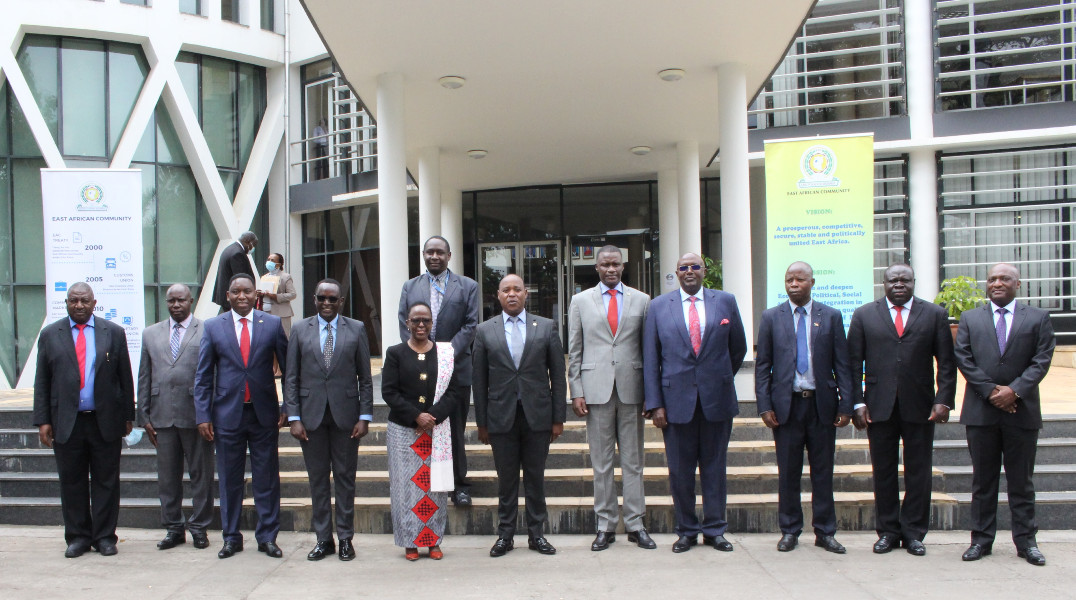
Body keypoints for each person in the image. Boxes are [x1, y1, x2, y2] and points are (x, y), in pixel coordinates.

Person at [847, 263, 956, 556]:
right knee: (883, 471)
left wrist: (943, 399)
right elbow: (853, 363)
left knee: (918, 471)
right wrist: (856, 402)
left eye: (904, 280)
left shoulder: (934, 314)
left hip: (921, 406)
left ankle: (914, 533)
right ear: (882, 283)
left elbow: (946, 362)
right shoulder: (864, 315)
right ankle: (887, 531)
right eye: (892, 280)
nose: (898, 284)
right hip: (877, 406)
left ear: (914, 282)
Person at [643, 253, 746, 553]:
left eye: (695, 267)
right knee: (680, 471)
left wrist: (718, 377)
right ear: (676, 273)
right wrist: (655, 404)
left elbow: (737, 348)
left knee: (715, 468)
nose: (690, 271)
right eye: (684, 268)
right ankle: (686, 530)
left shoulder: (725, 301)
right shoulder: (660, 306)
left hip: (717, 401)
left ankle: (715, 530)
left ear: (704, 271)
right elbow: (651, 358)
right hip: (675, 404)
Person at [955, 263, 1055, 566]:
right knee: (982, 482)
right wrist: (992, 393)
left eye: (1004, 279)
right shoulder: (970, 318)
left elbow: (1042, 359)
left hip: (1021, 412)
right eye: (992, 279)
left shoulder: (1037, 318)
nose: (997, 283)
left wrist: (1014, 391)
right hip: (981, 413)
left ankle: (1026, 542)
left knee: (1021, 482)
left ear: (1018, 284)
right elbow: (964, 357)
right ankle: (981, 541)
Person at [755, 262, 854, 554]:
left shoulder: (831, 316)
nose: (793, 284)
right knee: (788, 473)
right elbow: (763, 367)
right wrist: (764, 406)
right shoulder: (772, 317)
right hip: (786, 408)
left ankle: (825, 531)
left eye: (799, 279)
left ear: (812, 282)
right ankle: (789, 530)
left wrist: (846, 404)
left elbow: (843, 365)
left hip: (822, 406)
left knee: (823, 472)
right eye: (789, 279)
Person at [33, 282, 135, 558]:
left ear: (94, 302)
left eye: (84, 301)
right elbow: (42, 381)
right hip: (67, 422)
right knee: (71, 481)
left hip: (105, 420)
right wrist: (43, 420)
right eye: (74, 301)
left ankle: (104, 537)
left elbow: (125, 378)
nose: (79, 305)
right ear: (66, 303)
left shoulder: (113, 333)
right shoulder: (50, 334)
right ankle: (77, 537)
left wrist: (128, 416)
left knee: (106, 481)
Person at [194, 273, 289, 559]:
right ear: (228, 295)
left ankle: (267, 537)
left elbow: (288, 370)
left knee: (266, 478)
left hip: (264, 415)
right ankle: (231, 537)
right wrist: (203, 415)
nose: (242, 296)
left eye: (247, 291)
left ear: (255, 294)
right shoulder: (213, 327)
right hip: (226, 415)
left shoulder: (271, 324)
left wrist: (288, 407)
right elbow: (203, 376)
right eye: (236, 292)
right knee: (229, 479)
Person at [567, 245, 655, 551]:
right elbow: (575, 349)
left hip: (632, 390)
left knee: (634, 462)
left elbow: (649, 349)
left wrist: (651, 394)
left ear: (623, 265)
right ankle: (604, 526)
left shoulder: (642, 301)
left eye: (616, 264)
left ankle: (635, 524)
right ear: (597, 267)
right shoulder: (580, 301)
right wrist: (575, 390)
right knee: (601, 463)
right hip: (595, 391)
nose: (611, 269)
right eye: (605, 264)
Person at [473, 274, 566, 557]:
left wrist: (558, 418)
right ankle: (505, 535)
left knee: (535, 478)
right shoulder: (484, 331)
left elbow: (558, 376)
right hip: (501, 418)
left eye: (517, 289)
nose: (512, 294)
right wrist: (482, 423)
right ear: (497, 296)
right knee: (507, 479)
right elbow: (479, 380)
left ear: (526, 293)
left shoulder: (546, 327)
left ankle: (537, 535)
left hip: (538, 416)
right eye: (506, 290)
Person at [284, 278, 373, 562]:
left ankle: (346, 538)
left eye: (332, 299)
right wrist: (294, 417)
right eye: (322, 298)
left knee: (346, 479)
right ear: (314, 299)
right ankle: (324, 539)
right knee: (318, 480)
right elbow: (291, 377)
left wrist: (365, 416)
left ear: (341, 302)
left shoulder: (356, 329)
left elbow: (366, 379)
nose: (326, 303)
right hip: (310, 418)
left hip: (346, 417)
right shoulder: (299, 329)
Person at [399, 236, 479, 506]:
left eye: (440, 252)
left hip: (456, 369)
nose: (435, 256)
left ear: (449, 255)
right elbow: (404, 321)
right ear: (423, 254)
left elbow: (470, 325)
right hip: (419, 369)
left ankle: (459, 485)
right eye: (430, 252)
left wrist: (442, 353)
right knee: (421, 426)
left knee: (454, 428)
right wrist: (421, 353)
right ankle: (424, 482)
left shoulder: (468, 286)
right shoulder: (410, 287)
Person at [381, 302, 463, 560]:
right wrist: (416, 415)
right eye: (415, 320)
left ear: (431, 324)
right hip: (403, 430)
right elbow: (389, 391)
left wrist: (433, 417)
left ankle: (433, 541)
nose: (420, 325)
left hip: (436, 430)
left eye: (425, 320)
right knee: (406, 488)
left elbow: (454, 391)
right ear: (407, 323)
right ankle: (410, 542)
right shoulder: (395, 353)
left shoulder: (445, 354)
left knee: (434, 487)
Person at [137, 284, 213, 551]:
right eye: (171, 300)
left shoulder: (207, 330)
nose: (176, 305)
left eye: (181, 300)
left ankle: (199, 527)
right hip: (161, 415)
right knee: (167, 478)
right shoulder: (150, 333)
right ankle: (173, 528)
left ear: (191, 300)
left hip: (197, 415)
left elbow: (213, 374)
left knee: (200, 475)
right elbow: (144, 376)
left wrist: (210, 413)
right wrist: (143, 415)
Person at [213, 231, 258, 312]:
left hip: (228, 296)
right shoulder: (238, 253)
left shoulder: (230, 248)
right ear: (249, 242)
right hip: (236, 300)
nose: (253, 248)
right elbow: (241, 280)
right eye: (254, 245)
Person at [258, 252, 297, 337]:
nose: (269, 262)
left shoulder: (285, 277)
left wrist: (276, 296)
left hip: (281, 313)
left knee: (282, 337)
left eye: (272, 260)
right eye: (268, 259)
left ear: (278, 264)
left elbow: (292, 294)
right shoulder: (264, 277)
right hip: (266, 312)